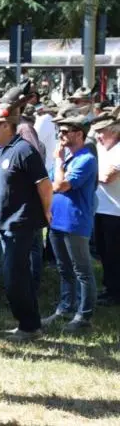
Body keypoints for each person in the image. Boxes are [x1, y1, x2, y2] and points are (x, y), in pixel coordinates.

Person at [0, 101, 52, 342]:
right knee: (16, 275)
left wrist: (47, 212)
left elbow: (44, 184)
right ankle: (29, 323)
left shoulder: (24, 150)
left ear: (6, 125)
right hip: (6, 224)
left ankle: (29, 327)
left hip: (20, 224)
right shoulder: (7, 149)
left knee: (14, 277)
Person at [42, 114, 98, 332]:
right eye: (60, 131)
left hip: (75, 223)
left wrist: (56, 159)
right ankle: (65, 308)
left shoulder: (86, 159)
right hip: (57, 221)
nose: (61, 135)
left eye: (66, 131)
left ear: (79, 134)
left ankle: (84, 316)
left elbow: (60, 185)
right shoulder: (69, 158)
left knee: (82, 271)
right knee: (64, 268)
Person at [92, 111, 120, 306]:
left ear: (115, 131)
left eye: (102, 131)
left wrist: (88, 174)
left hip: (116, 211)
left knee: (114, 253)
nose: (98, 135)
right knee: (103, 252)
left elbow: (107, 177)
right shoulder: (100, 149)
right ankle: (110, 287)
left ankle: (116, 292)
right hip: (100, 208)